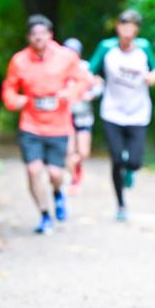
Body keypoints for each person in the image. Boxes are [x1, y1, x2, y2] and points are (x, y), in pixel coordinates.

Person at [3, 14, 91, 234]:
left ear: (50, 35)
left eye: (43, 33)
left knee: (55, 174)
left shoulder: (66, 57)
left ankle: (58, 193)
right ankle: (44, 215)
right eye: (34, 34)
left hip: (58, 125)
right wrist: (16, 101)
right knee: (33, 170)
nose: (38, 38)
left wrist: (68, 94)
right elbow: (9, 89)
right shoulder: (19, 61)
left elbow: (84, 80)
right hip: (30, 124)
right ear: (28, 37)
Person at [89, 9, 155, 222]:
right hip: (112, 112)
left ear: (136, 29)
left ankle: (131, 171)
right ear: (117, 27)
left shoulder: (144, 47)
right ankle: (121, 204)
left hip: (138, 112)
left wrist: (152, 77)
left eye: (132, 26)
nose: (128, 30)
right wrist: (95, 79)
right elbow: (90, 70)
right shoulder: (106, 48)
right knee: (117, 159)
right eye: (124, 25)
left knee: (135, 161)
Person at [62, 38, 103, 192]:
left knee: (83, 152)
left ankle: (76, 168)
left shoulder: (86, 67)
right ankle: (73, 180)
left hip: (83, 114)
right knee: (69, 151)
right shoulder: (58, 68)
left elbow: (99, 84)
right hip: (65, 114)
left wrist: (91, 94)